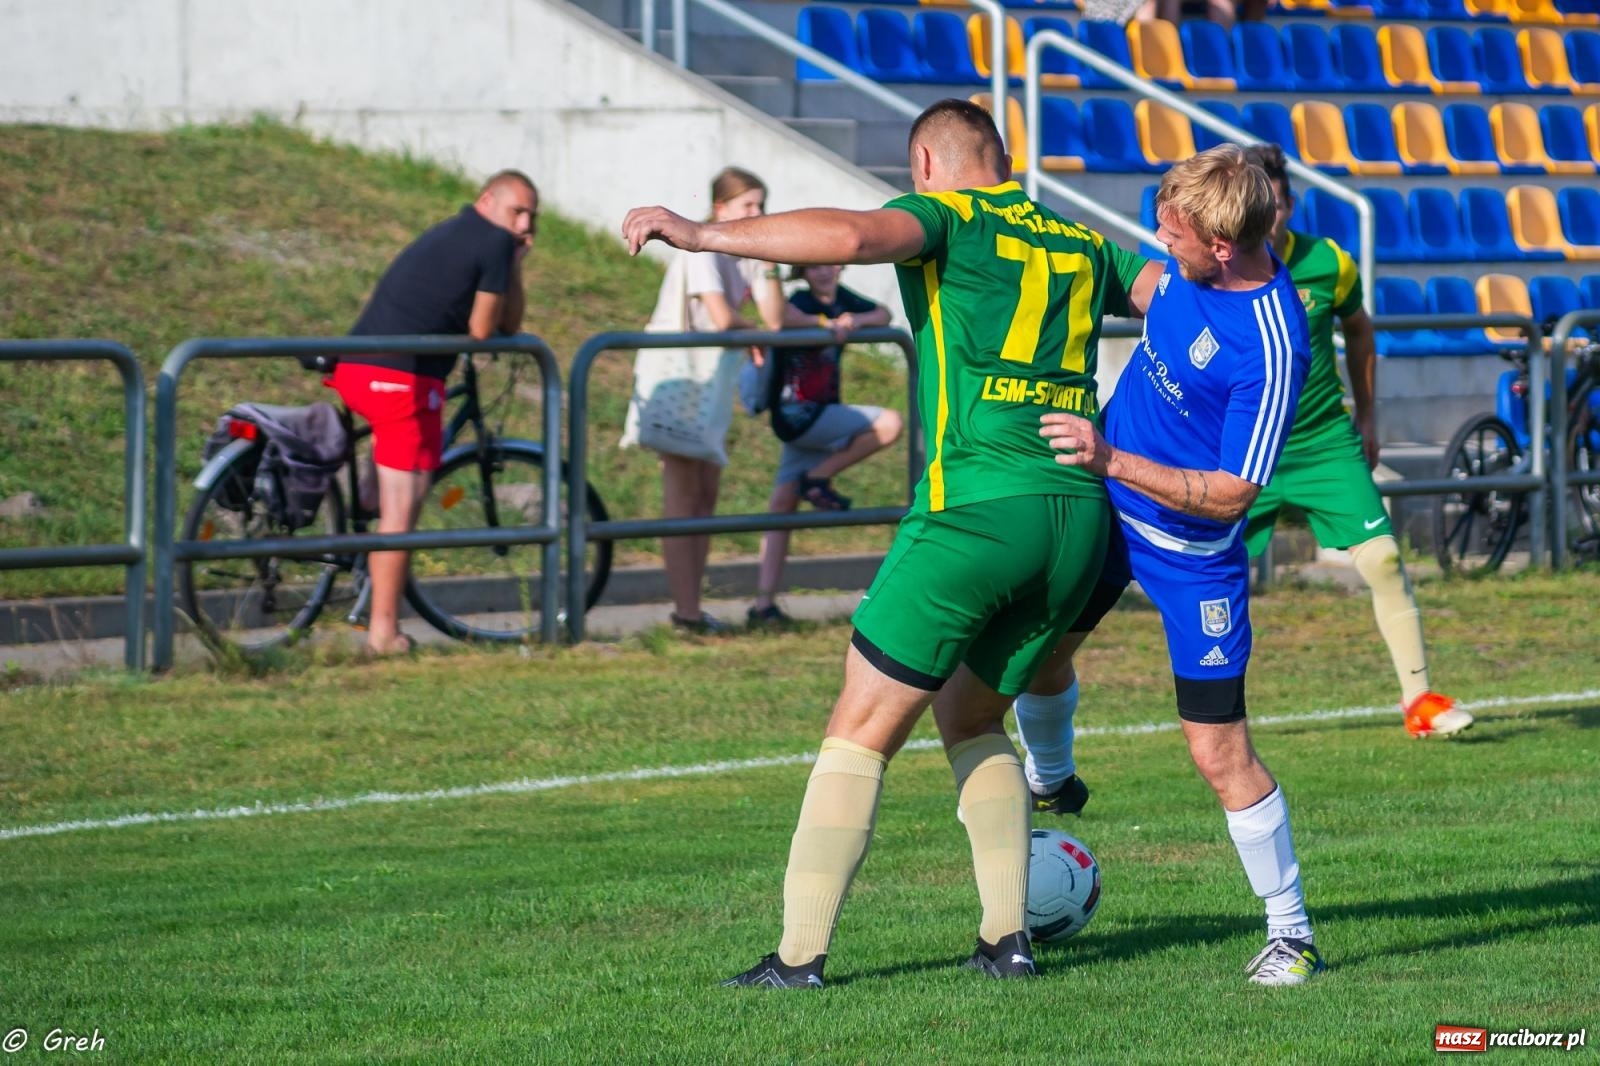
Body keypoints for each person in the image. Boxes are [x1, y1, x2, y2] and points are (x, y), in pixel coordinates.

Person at [623, 97, 1161, 988]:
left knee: (861, 728)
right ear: (1002, 157)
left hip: (977, 508)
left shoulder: (943, 215)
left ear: (924, 166)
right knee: (974, 718)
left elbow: (848, 234)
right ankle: (1006, 941)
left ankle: (797, 959)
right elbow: (1169, 301)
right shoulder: (1081, 240)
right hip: (1077, 514)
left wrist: (705, 235)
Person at [997, 145, 1326, 986]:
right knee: (1038, 656)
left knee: (1218, 752)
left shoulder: (1272, 341)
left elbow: (1228, 496)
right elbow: (1145, 285)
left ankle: (1291, 935)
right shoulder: (1185, 273)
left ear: (1221, 246)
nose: (1157, 239)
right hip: (1105, 518)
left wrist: (1110, 459)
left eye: (1170, 231)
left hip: (1191, 555)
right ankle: (1055, 778)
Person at [1240, 143, 1469, 739]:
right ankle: (1214, 713)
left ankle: (1419, 701)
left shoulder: (1328, 263)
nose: (1272, 216)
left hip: (1322, 441)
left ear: (1288, 202)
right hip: (1241, 452)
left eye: (1279, 202)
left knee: (1387, 560)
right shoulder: (1217, 267)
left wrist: (1367, 418)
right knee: (1212, 580)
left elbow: (1360, 332)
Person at [332, 169, 537, 656]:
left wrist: (514, 264)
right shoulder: (491, 240)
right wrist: (509, 260)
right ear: (488, 200)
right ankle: (383, 634)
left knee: (403, 490)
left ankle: (363, 513)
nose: (525, 223)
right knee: (403, 509)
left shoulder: (465, 231)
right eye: (518, 211)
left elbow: (506, 320)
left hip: (368, 369)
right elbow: (487, 329)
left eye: (533, 216)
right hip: (398, 377)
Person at [632, 166, 787, 635]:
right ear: (720, 210)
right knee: (683, 498)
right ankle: (686, 612)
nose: (758, 214)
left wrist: (771, 258)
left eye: (761, 206)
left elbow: (775, 318)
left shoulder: (745, 252)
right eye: (748, 207)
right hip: (684, 382)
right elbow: (721, 318)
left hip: (709, 388)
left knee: (705, 498)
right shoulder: (700, 251)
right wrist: (759, 331)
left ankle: (693, 607)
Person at [748, 264, 901, 628]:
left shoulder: (842, 299)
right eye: (815, 266)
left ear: (841, 266)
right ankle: (816, 478)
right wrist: (825, 326)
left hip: (817, 415)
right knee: (889, 423)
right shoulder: (800, 299)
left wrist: (855, 322)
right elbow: (783, 316)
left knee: (781, 506)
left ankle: (762, 605)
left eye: (830, 263)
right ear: (803, 270)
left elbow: (885, 313)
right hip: (799, 413)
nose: (824, 271)